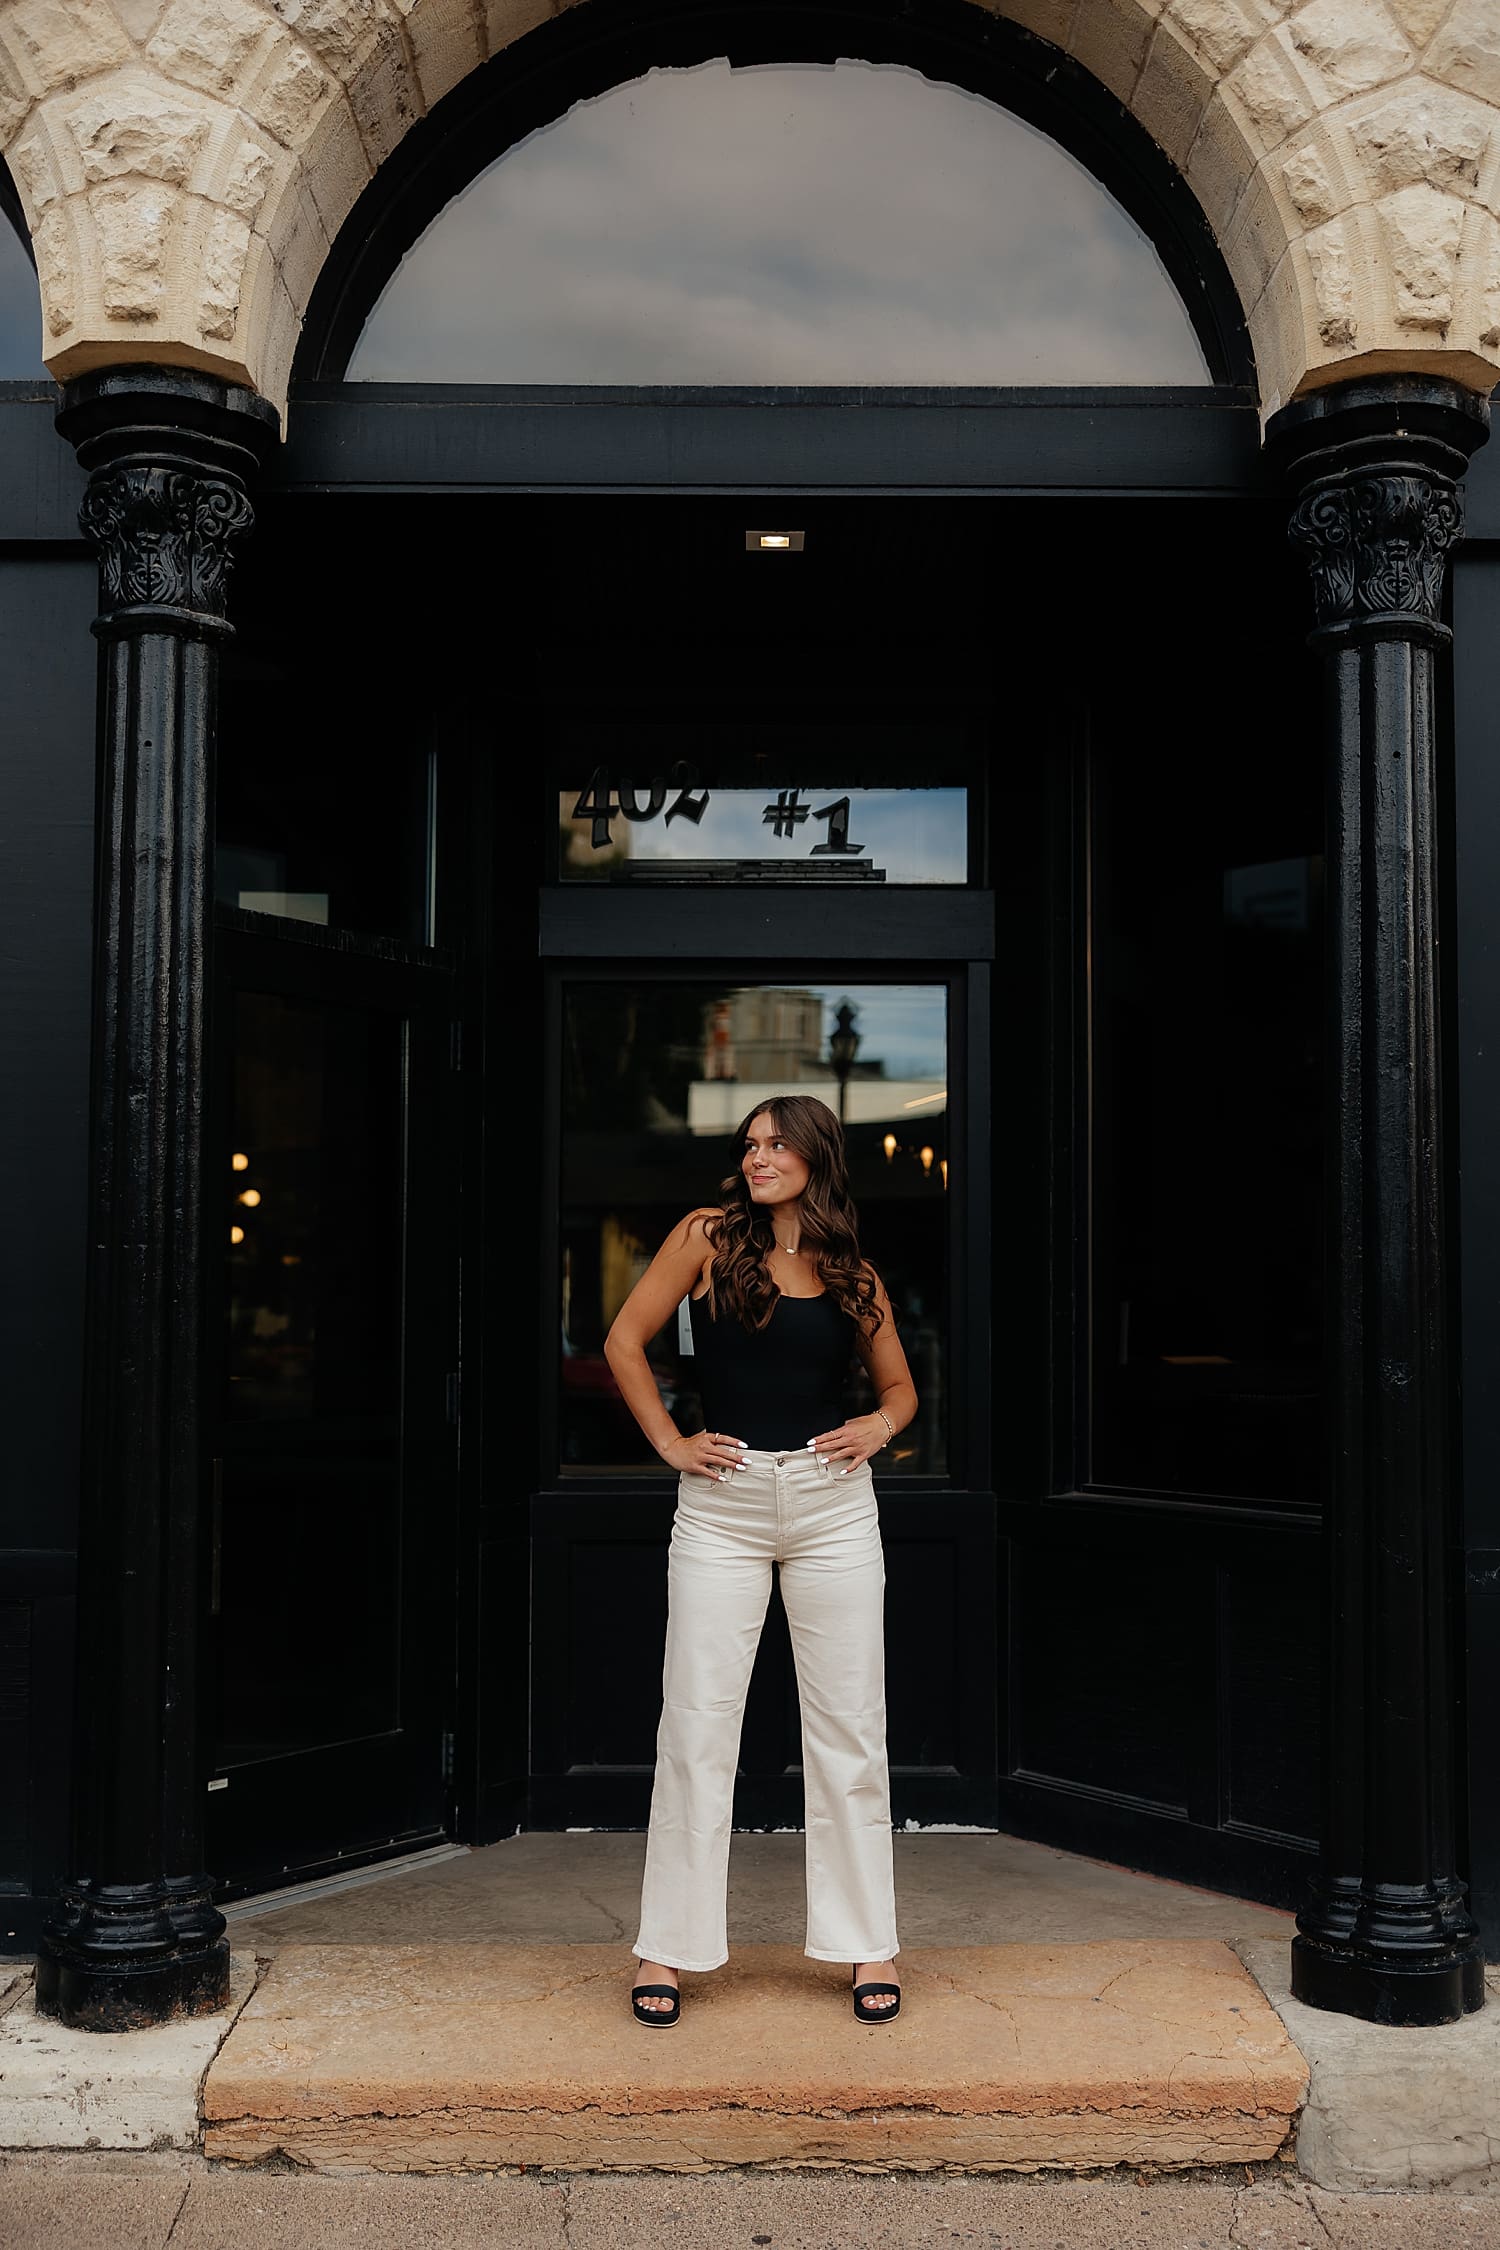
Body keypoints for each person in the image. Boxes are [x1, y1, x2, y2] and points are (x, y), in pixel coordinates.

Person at [603, 1093, 918, 2029]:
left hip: (831, 1507)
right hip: (723, 1506)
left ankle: (870, 1945)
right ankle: (669, 1944)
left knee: (850, 1730)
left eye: (777, 1144)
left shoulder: (851, 1269)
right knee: (696, 1726)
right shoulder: (706, 1236)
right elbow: (625, 1341)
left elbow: (900, 1388)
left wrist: (881, 1421)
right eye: (749, 1145)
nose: (757, 1157)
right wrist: (670, 1443)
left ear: (817, 1156)